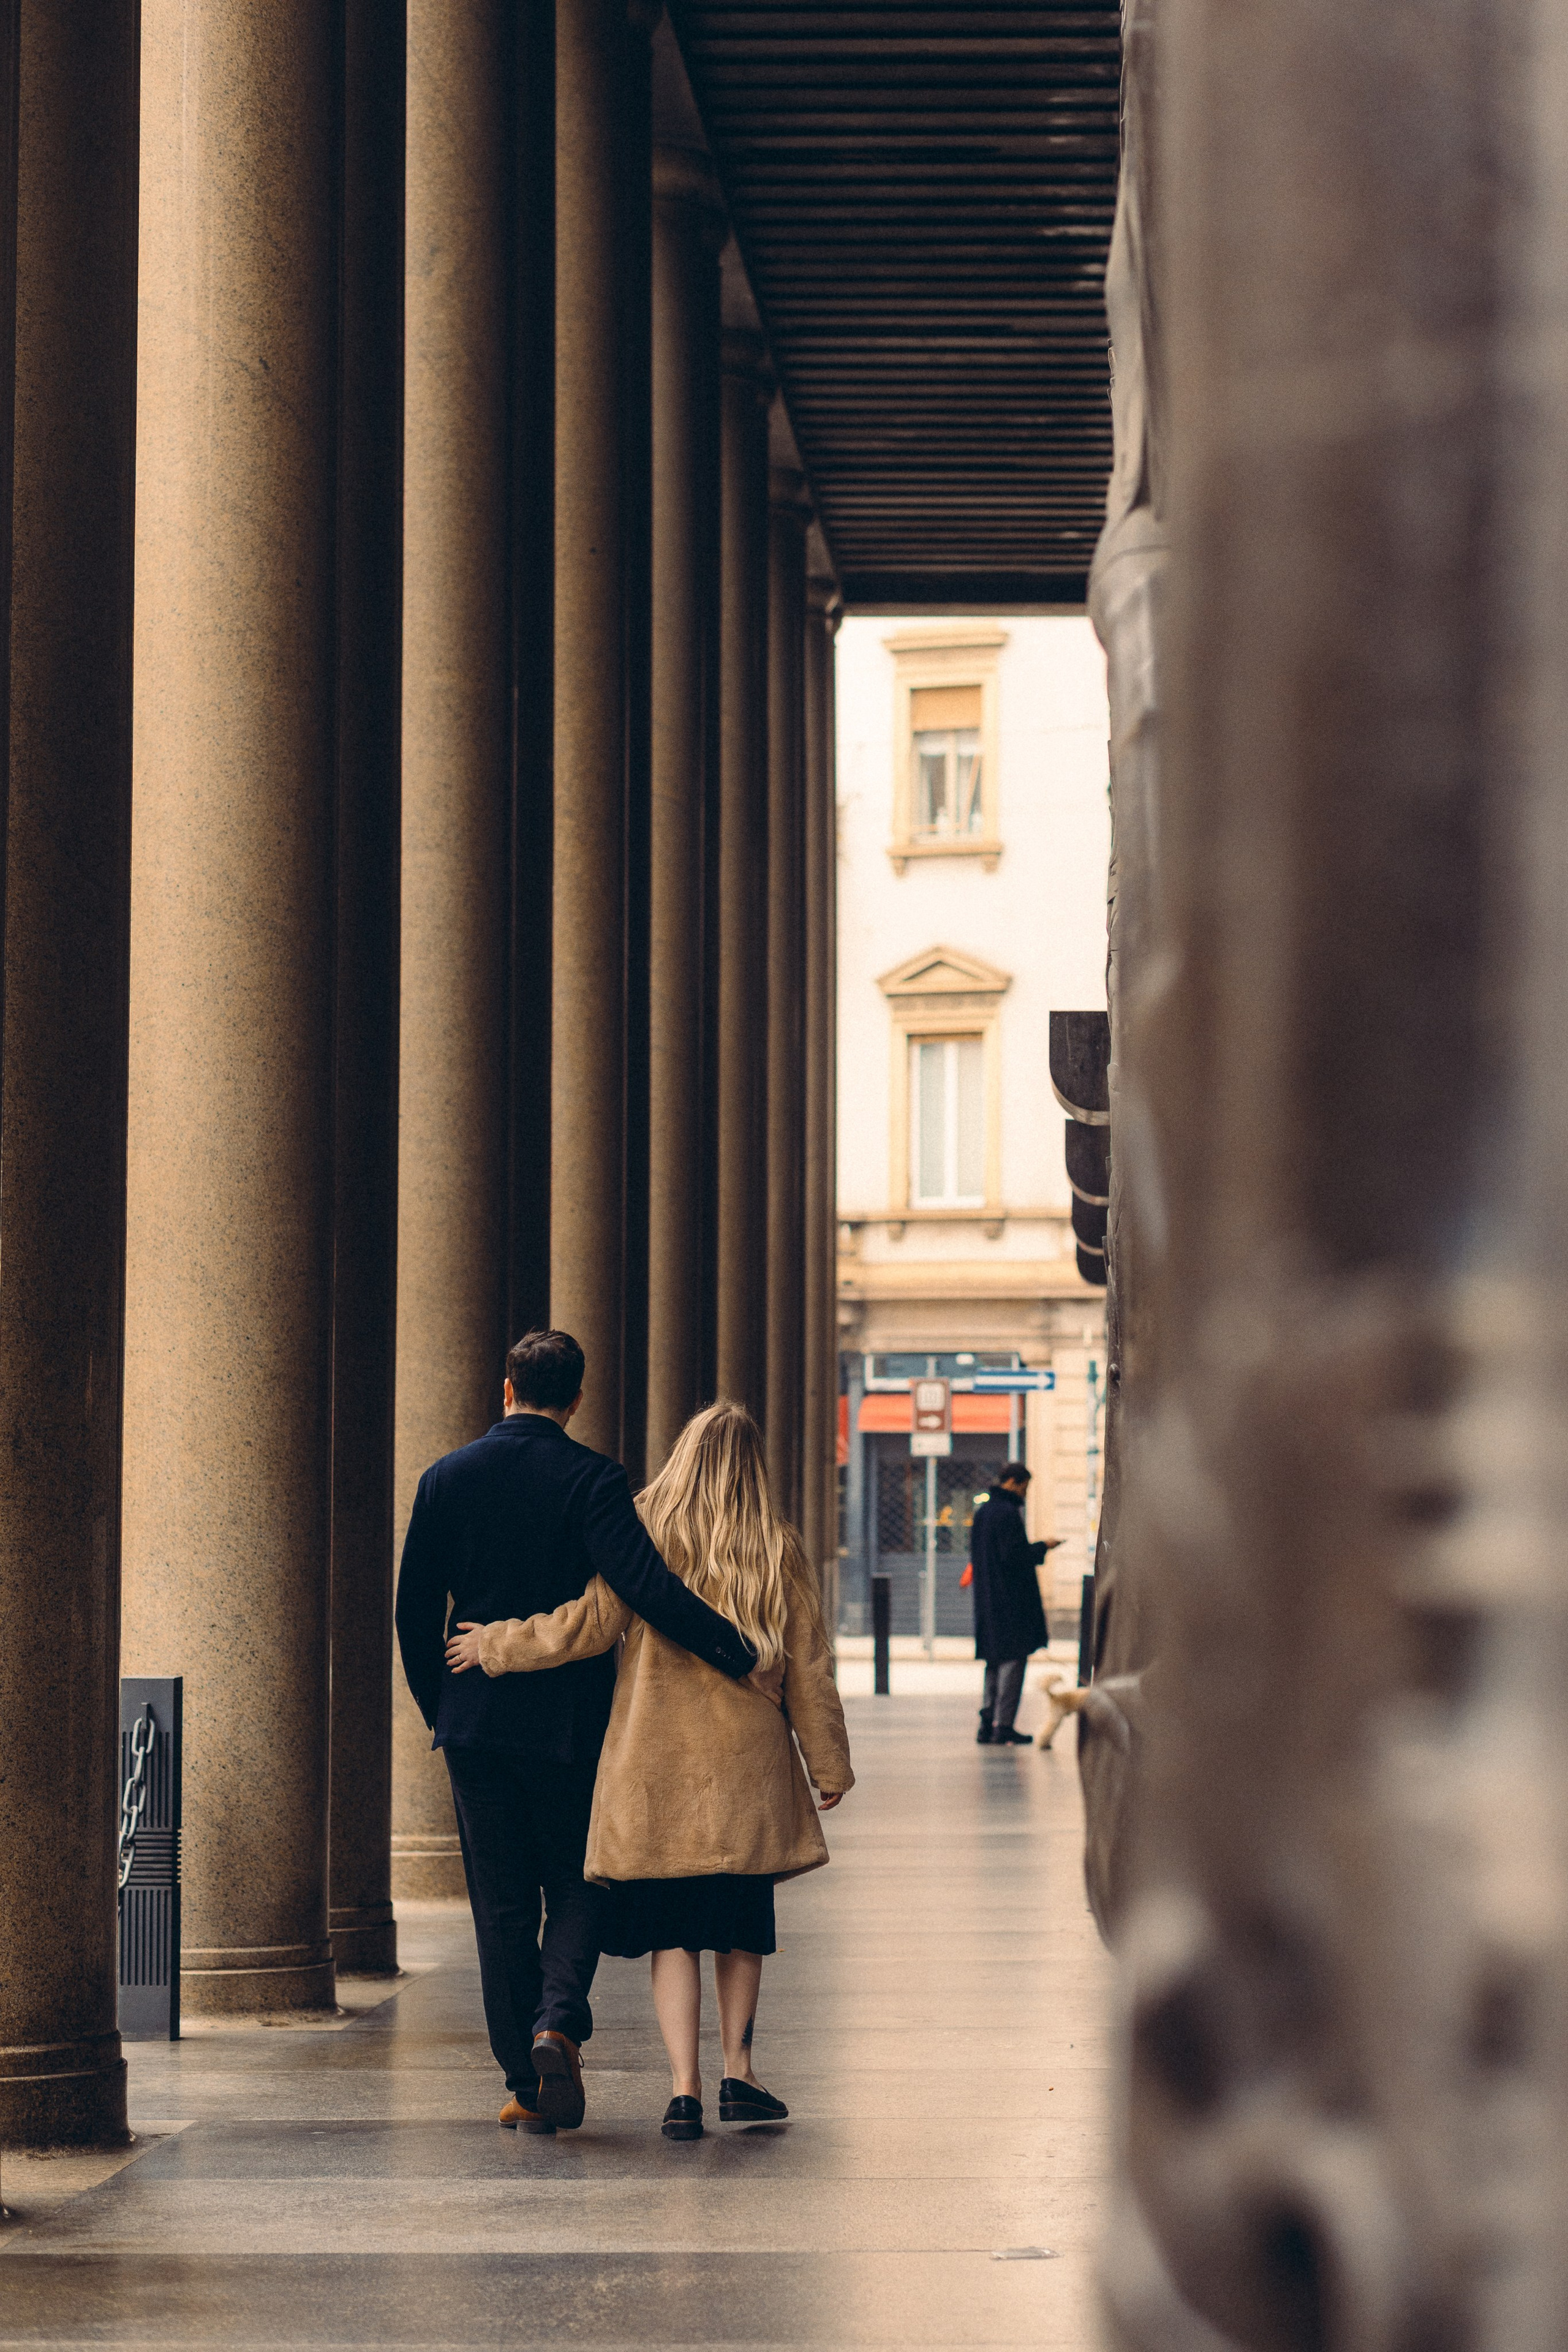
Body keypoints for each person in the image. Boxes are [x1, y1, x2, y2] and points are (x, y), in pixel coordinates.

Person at [445, 1400, 853, 2143]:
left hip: (656, 1763)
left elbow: (587, 1624)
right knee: (740, 1924)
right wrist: (827, 1762)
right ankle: (740, 2074)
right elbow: (809, 1667)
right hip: (747, 1768)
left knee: (674, 1931)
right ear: (750, 1469)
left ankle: (682, 2093)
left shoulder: (645, 1530)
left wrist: (497, 1644)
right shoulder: (773, 1544)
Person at [394, 1329, 761, 2138]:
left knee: (497, 1903)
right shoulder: (593, 1479)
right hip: (569, 1725)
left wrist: (443, 1707)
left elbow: (414, 1609)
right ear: (578, 1397)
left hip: (475, 1721)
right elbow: (645, 1588)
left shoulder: (445, 1478)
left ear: (505, 1389)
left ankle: (527, 2077)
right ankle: (556, 2018)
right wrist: (734, 1649)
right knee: (577, 1878)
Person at [970, 1462, 1061, 1744]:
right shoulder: (1007, 1514)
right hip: (1011, 1602)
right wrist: (1042, 1547)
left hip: (987, 1599)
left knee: (993, 1662)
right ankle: (1004, 1726)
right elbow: (1015, 1557)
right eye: (1024, 1486)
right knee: (1013, 1660)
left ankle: (987, 1723)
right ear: (1013, 1482)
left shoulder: (983, 1512)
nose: (1025, 1493)